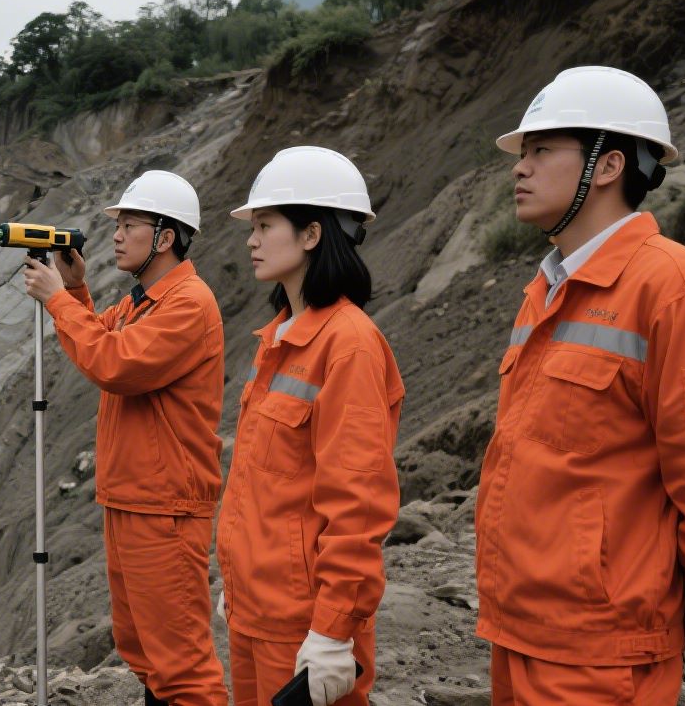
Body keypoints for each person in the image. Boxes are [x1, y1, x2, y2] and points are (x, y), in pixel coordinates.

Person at [477, 66, 685, 703]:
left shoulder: (677, 290)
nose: (520, 167)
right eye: (522, 153)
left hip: (601, 652)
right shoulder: (549, 289)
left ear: (609, 165)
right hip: (519, 631)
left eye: (541, 151)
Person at [22, 169, 226, 706]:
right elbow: (97, 337)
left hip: (166, 507)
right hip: (134, 500)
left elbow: (114, 364)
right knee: (141, 647)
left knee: (180, 665)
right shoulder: (144, 301)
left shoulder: (188, 305)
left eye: (129, 224)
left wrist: (56, 300)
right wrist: (75, 289)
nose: (115, 234)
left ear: (164, 237)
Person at [214, 146, 403, 706]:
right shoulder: (280, 338)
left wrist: (332, 631)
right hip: (257, 612)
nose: (251, 239)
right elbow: (267, 484)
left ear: (312, 235)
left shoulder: (349, 346)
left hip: (302, 626)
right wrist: (238, 579)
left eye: (265, 224)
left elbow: (358, 504)